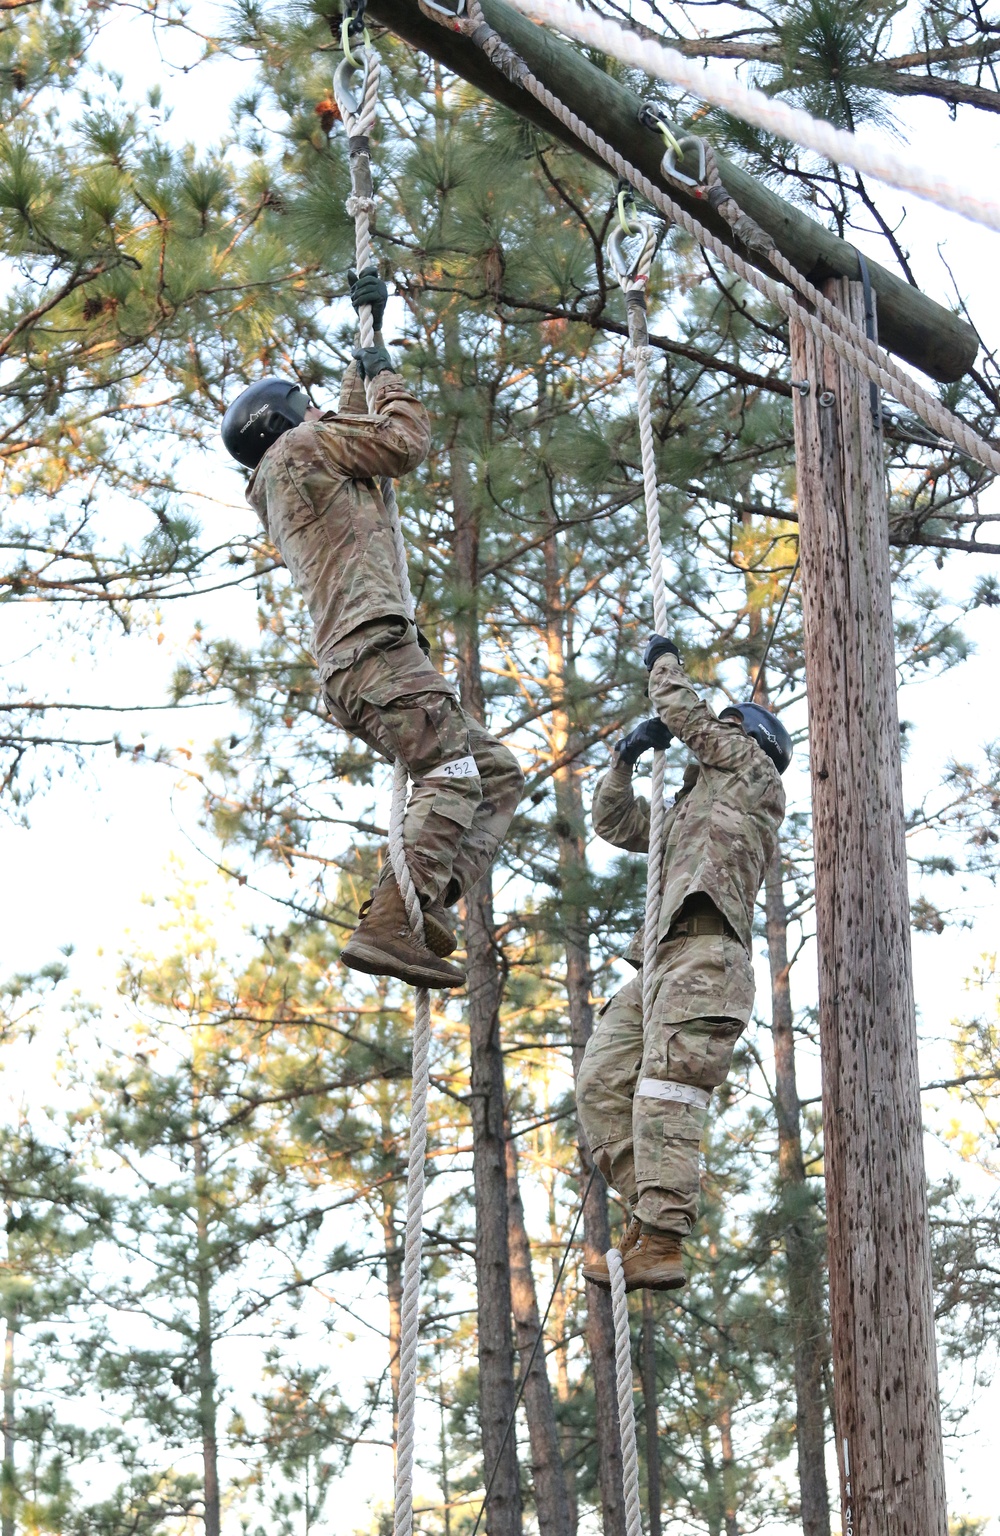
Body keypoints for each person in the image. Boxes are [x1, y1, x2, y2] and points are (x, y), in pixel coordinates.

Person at [221, 268, 523, 990]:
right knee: (451, 775)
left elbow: (349, 438)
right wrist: (387, 378)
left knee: (497, 776)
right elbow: (401, 444)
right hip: (375, 649)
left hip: (359, 662)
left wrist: (369, 337)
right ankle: (394, 920)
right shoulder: (302, 452)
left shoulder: (291, 470)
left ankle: (422, 903)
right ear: (288, 422)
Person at [577, 635, 790, 1292]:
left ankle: (664, 1235)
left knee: (667, 1088)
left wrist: (664, 664)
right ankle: (652, 1215)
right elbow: (614, 823)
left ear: (750, 741)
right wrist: (624, 760)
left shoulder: (753, 781)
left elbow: (686, 716)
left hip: (707, 956)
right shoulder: (687, 812)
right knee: (602, 1084)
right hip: (663, 966)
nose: (714, 738)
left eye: (729, 730)